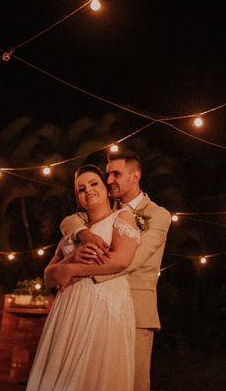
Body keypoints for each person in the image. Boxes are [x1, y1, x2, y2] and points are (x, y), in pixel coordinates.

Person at [60, 150, 172, 391]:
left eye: (116, 174)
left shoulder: (158, 215)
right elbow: (69, 220)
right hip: (100, 309)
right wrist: (84, 233)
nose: (109, 180)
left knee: (133, 383)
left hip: (135, 309)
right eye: (108, 174)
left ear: (135, 176)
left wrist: (79, 272)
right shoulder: (105, 207)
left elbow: (132, 259)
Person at [26, 164, 141, 391]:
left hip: (102, 307)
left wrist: (71, 270)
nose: (87, 190)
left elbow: (121, 260)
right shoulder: (72, 232)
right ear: (78, 197)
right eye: (81, 188)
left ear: (108, 190)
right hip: (68, 308)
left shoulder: (122, 217)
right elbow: (48, 277)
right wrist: (71, 259)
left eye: (94, 183)